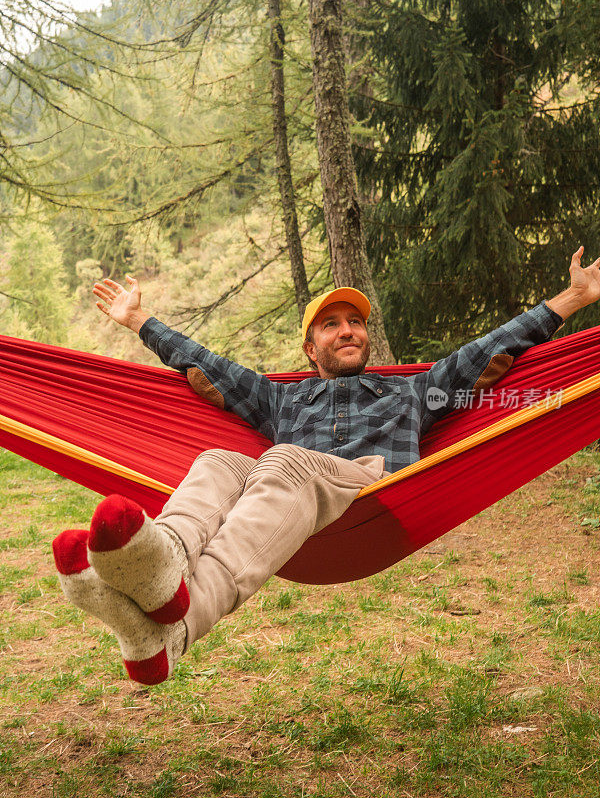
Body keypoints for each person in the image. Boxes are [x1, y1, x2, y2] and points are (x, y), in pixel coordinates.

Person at [52, 247, 600, 685]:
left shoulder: (412, 393)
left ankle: (183, 626)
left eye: (355, 324)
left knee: (285, 460)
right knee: (219, 459)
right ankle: (158, 572)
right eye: (332, 325)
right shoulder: (282, 401)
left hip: (369, 504)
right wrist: (140, 320)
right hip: (288, 504)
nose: (348, 331)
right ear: (311, 349)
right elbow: (207, 365)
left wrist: (571, 300)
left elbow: (482, 353)